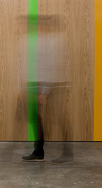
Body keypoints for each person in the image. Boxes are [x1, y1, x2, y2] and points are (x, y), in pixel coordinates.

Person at [19, 14, 73, 163]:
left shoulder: (56, 41)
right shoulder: (42, 40)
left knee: (58, 119)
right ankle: (39, 150)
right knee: (38, 117)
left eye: (45, 24)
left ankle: (66, 153)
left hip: (55, 84)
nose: (41, 27)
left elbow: (51, 66)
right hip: (44, 84)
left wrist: (45, 91)